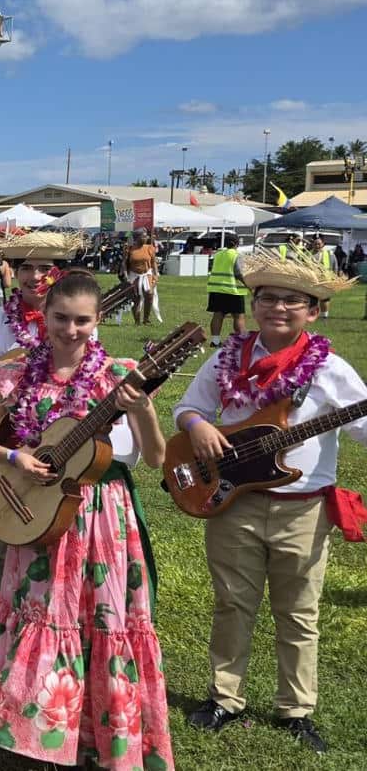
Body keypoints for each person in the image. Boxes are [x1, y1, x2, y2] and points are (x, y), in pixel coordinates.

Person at [0, 271, 174, 769]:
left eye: (81, 320)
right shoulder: (22, 372)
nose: (70, 330)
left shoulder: (120, 372)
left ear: (97, 321)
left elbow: (157, 457)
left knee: (101, 616)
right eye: (60, 318)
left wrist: (142, 412)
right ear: (44, 316)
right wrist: (13, 458)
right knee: (40, 610)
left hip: (102, 514)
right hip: (38, 510)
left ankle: (101, 733)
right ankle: (31, 728)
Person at [172, 249, 364, 755]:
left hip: (302, 507)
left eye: (292, 300)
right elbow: (187, 407)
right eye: (268, 297)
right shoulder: (227, 357)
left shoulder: (333, 370)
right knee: (232, 603)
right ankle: (224, 697)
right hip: (233, 500)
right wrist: (199, 425)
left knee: (299, 611)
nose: (279, 307)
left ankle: (296, 709)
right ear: (253, 303)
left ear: (314, 310)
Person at [0, 231, 83, 611]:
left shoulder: (73, 324)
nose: (34, 276)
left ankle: (44, 630)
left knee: (53, 534)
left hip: (57, 445)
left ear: (59, 273)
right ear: (13, 271)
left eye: (44, 267)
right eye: (26, 267)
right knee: (0, 537)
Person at [207, 233, 247, 346]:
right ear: (236, 244)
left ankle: (215, 341)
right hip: (232, 290)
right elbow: (239, 272)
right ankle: (241, 341)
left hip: (216, 288)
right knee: (238, 316)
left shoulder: (218, 254)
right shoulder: (236, 255)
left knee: (218, 314)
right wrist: (248, 284)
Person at [123, 230, 157, 325]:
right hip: (134, 275)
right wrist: (126, 276)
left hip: (147, 274)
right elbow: (124, 263)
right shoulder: (129, 249)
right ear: (137, 238)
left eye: (146, 236)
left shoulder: (150, 248)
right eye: (143, 236)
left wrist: (156, 275)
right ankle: (137, 321)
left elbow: (154, 262)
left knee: (149, 294)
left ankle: (146, 319)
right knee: (136, 298)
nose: (146, 238)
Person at [308, 235, 334, 318]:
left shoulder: (329, 254)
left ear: (323, 244)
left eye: (319, 244)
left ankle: (324, 316)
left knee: (324, 299)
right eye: (315, 244)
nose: (317, 246)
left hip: (324, 279)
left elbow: (334, 265)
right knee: (311, 299)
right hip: (310, 279)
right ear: (312, 244)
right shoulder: (306, 254)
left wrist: (334, 277)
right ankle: (311, 315)